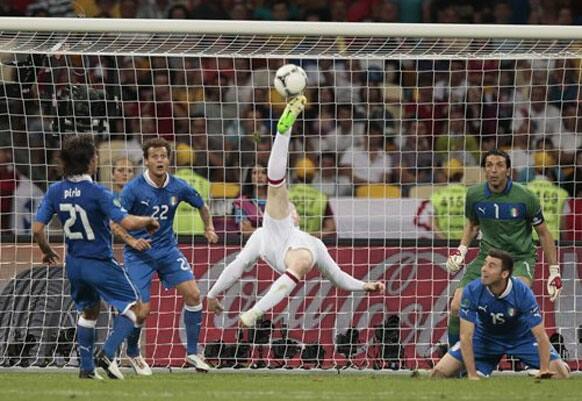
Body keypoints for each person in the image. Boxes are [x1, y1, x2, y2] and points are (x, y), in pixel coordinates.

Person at [206, 96, 385, 327]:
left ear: (298, 217)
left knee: (300, 257)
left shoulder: (314, 244)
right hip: (275, 229)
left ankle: (253, 313)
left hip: (291, 251)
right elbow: (236, 268)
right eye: (293, 209)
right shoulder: (260, 235)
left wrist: (364, 286)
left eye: (295, 210)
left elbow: (338, 277)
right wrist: (211, 294)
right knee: (277, 186)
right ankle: (285, 128)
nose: (295, 210)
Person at [32, 135, 159, 380]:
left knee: (89, 312)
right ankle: (108, 352)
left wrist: (47, 251)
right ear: (90, 161)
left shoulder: (55, 190)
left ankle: (87, 369)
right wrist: (149, 220)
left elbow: (37, 229)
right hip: (99, 261)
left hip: (74, 264)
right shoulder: (98, 192)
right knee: (137, 308)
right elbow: (128, 222)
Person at [120, 138, 219, 374]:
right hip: (138, 255)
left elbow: (201, 205)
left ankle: (193, 354)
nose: (160, 160)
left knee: (194, 295)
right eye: (154, 157)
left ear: (169, 159)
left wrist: (209, 227)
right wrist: (133, 240)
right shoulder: (132, 189)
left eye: (163, 156)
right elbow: (116, 222)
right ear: (146, 161)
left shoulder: (178, 186)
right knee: (142, 311)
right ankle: (133, 352)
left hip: (167, 250)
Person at [446, 149, 561, 347]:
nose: (493, 170)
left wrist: (554, 271)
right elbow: (473, 225)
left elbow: (543, 233)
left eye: (499, 165)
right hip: (487, 258)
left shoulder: (525, 196)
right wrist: (462, 249)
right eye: (489, 165)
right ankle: (455, 360)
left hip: (519, 258)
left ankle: (528, 355)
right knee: (457, 306)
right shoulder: (474, 195)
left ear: (508, 170)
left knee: (514, 301)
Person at [432, 249, 570, 380]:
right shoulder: (472, 290)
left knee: (561, 375)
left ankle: (538, 364)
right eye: (485, 264)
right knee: (439, 373)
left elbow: (540, 334)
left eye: (491, 266)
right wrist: (472, 374)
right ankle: (479, 370)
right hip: (485, 338)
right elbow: (466, 336)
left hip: (522, 338)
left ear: (504, 274)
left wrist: (544, 368)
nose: (484, 269)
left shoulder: (522, 292)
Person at [431, 159, 467, 241]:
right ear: (462, 174)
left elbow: (433, 224)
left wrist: (444, 241)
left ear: (445, 175)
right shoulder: (471, 194)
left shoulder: (437, 195)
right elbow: (476, 224)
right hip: (467, 244)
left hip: (444, 244)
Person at [232, 162, 268, 237]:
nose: (259, 176)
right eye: (255, 173)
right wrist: (270, 234)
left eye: (263, 173)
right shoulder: (241, 202)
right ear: (250, 177)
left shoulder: (277, 200)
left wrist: (253, 229)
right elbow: (245, 230)